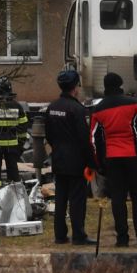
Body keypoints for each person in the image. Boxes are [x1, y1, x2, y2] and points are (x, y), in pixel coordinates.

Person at [88, 71, 137, 248]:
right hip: (133, 156)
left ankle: (122, 238)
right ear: (120, 84)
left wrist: (98, 164)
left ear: (105, 87)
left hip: (112, 158)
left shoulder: (99, 109)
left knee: (118, 198)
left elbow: (94, 140)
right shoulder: (133, 104)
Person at [43, 67, 94, 245]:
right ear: (75, 87)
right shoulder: (77, 109)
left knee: (61, 199)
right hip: (76, 162)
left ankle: (60, 235)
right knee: (77, 200)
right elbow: (84, 138)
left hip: (58, 160)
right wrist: (91, 162)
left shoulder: (52, 107)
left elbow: (48, 134)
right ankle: (79, 235)